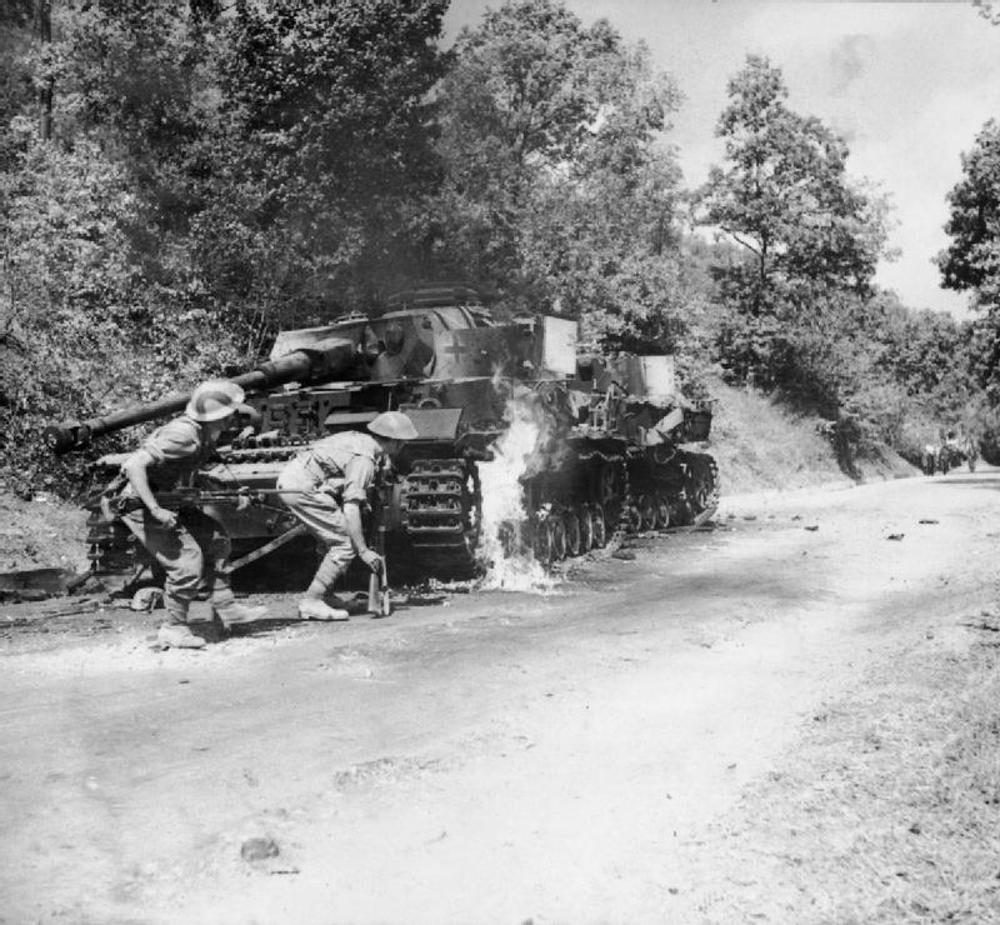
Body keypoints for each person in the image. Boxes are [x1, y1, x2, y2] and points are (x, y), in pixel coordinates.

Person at [118, 379, 268, 649]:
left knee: (216, 539)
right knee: (186, 563)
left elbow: (189, 473)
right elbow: (133, 465)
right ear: (219, 417)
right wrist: (155, 509)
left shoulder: (202, 435)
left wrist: (231, 493)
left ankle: (226, 608)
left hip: (168, 498)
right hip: (141, 503)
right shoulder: (183, 435)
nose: (235, 418)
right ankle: (173, 628)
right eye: (231, 413)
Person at [276, 410, 419, 621]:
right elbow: (350, 508)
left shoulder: (360, 440)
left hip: (298, 481)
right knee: (344, 543)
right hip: (301, 487)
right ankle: (312, 601)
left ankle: (326, 596)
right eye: (403, 442)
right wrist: (363, 550)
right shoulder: (365, 459)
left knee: (331, 539)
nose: (403, 447)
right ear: (395, 442)